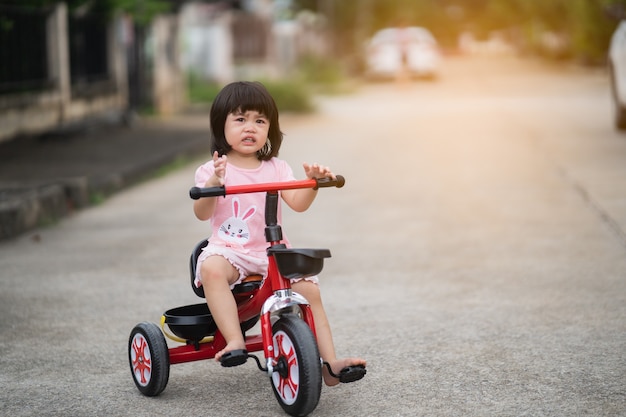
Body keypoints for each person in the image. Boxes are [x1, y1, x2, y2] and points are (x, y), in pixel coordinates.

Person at [192, 81, 366, 386]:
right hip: (231, 251)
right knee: (212, 269)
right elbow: (202, 212)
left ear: (269, 130)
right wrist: (213, 183)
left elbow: (298, 204)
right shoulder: (212, 170)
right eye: (241, 119)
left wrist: (311, 184)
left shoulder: (276, 168)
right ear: (222, 125)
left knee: (310, 292)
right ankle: (234, 340)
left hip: (270, 251)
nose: (251, 127)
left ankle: (329, 363)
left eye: (260, 121)